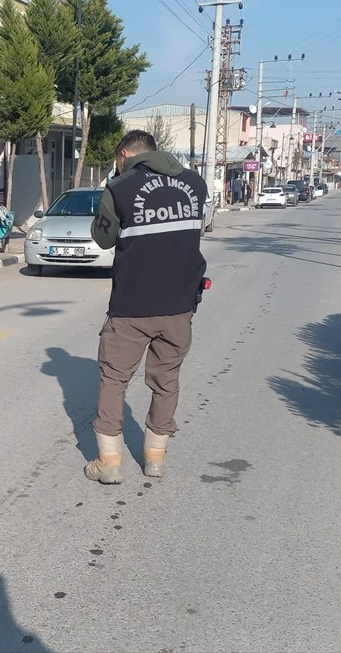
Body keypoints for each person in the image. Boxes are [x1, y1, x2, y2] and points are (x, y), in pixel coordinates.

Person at [86, 129, 208, 483]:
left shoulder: (120, 187)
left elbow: (103, 236)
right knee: (166, 380)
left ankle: (109, 463)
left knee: (114, 380)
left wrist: (112, 193)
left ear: (124, 155)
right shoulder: (195, 184)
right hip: (179, 304)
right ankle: (155, 458)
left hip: (131, 306)